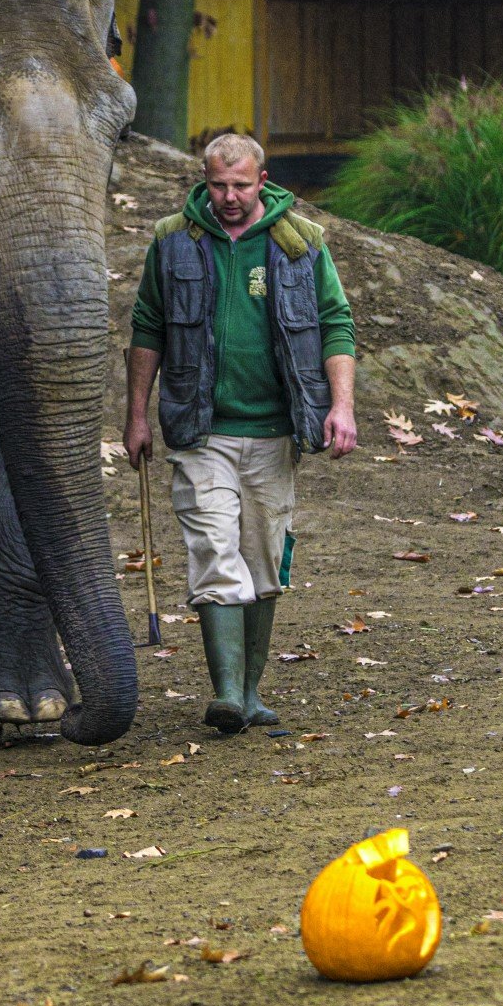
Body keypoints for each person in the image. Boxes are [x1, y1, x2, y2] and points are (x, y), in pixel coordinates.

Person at [124, 132, 356, 734]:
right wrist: (137, 415)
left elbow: (336, 325)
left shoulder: (300, 242)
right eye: (218, 185)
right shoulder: (173, 240)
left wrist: (342, 407)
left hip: (277, 431)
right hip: (200, 431)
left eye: (240, 185)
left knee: (261, 560)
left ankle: (250, 693)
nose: (228, 197)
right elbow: (147, 323)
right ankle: (226, 693)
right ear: (204, 179)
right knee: (213, 548)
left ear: (263, 179)